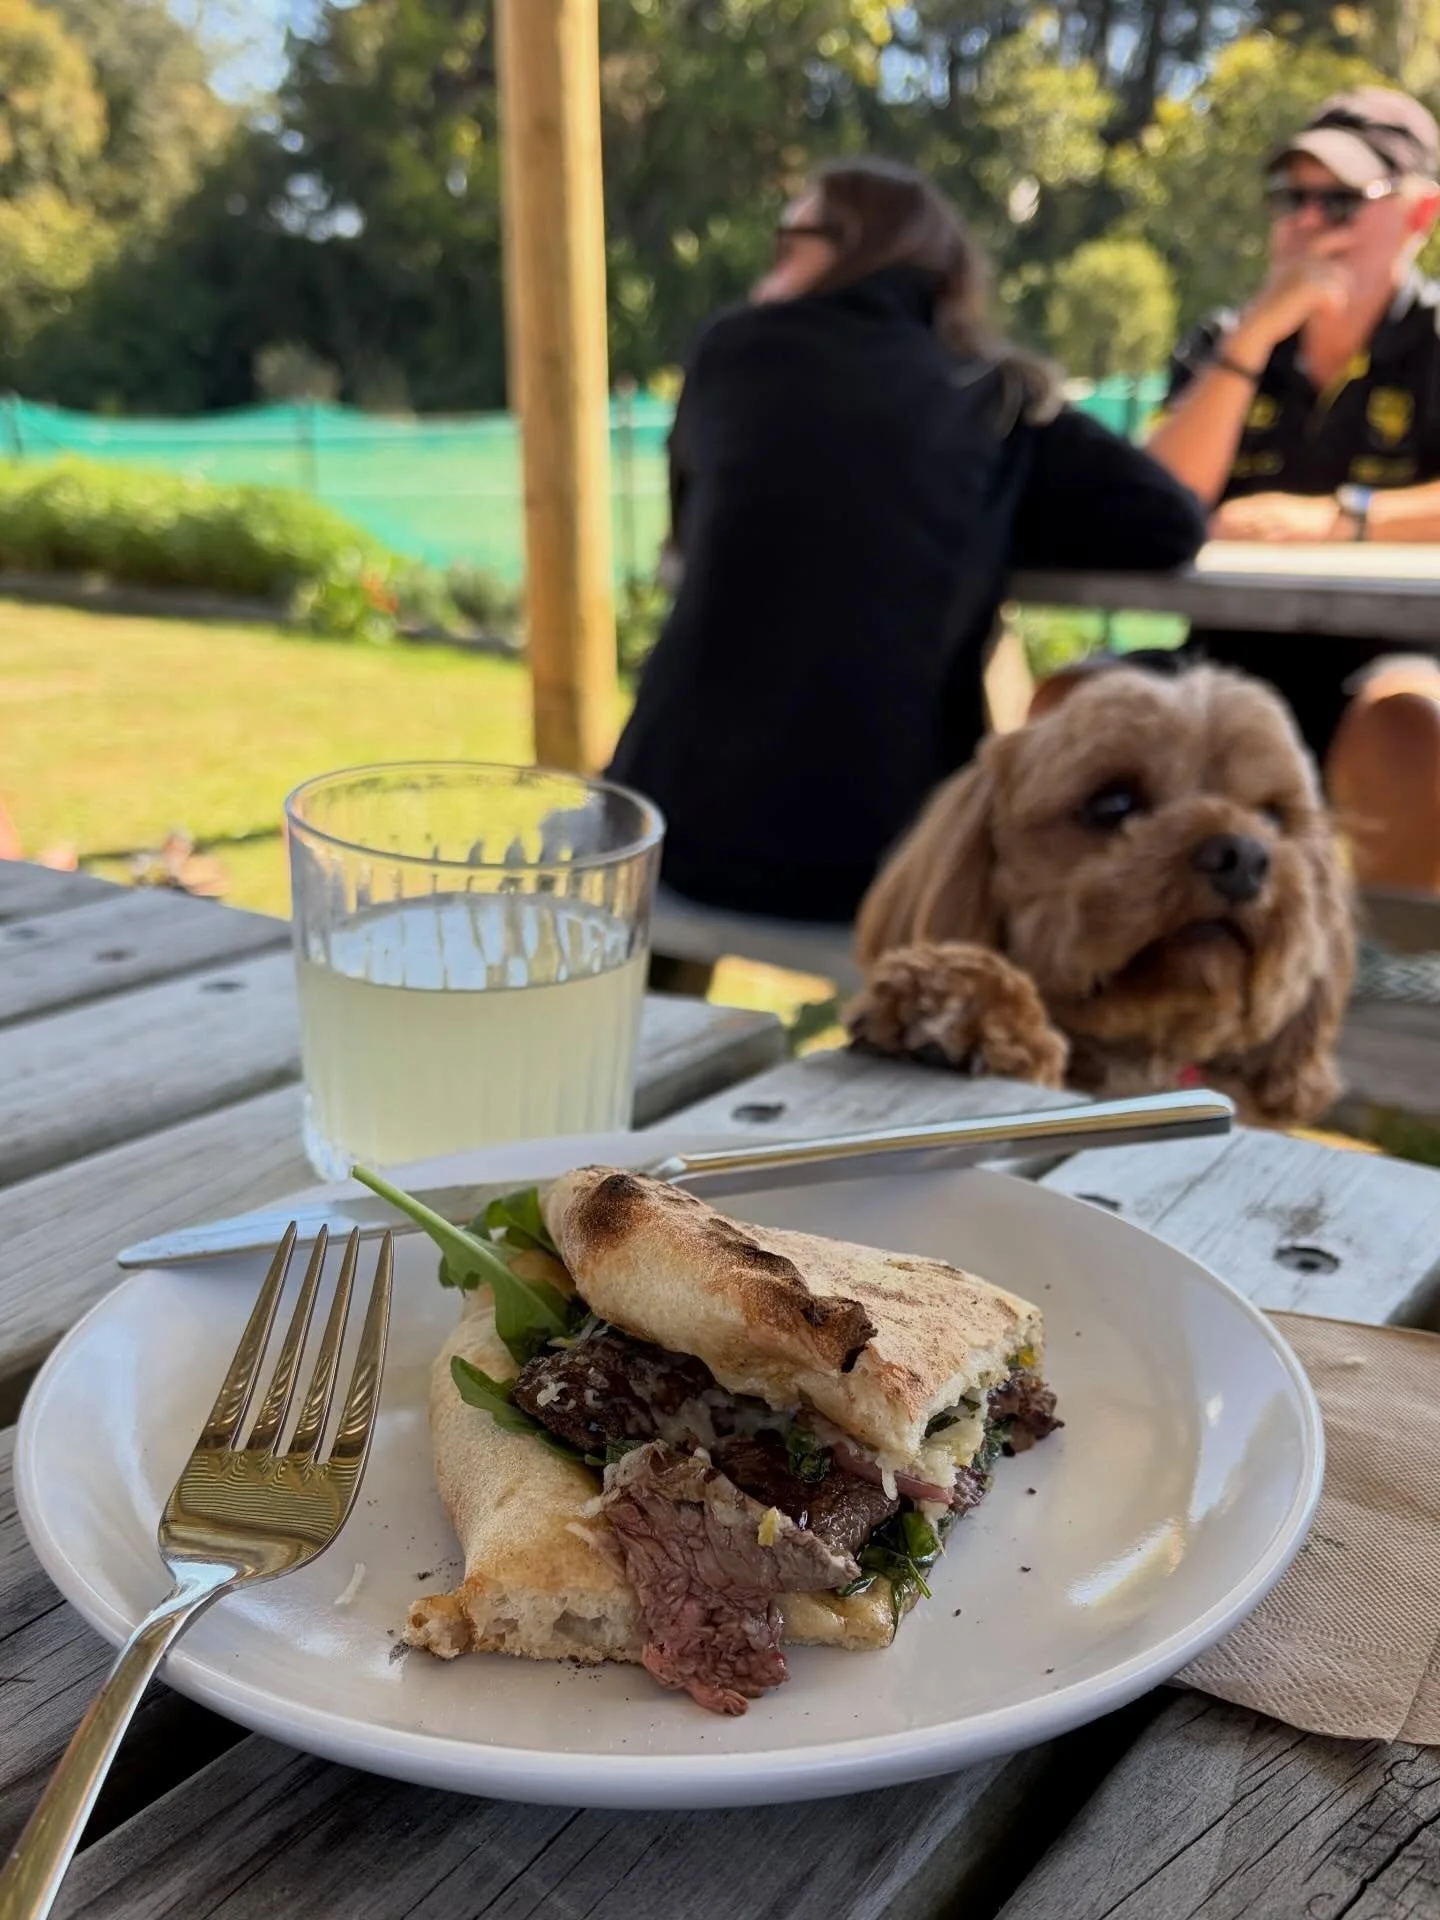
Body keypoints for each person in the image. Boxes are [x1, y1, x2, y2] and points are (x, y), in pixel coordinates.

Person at [606, 157, 1205, 925]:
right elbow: (1168, 523)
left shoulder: (733, 351)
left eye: (794, 237)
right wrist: (992, 514)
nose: (774, 259)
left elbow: (693, 529)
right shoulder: (992, 398)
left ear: (858, 247)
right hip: (885, 860)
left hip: (673, 834)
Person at [1144, 87, 1440, 886]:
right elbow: (1155, 498)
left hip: (1405, 658)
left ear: (1418, 216)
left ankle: (1380, 989)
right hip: (1225, 662)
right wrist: (1256, 337)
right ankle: (1101, 976)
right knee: (1079, 704)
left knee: (1413, 727)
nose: (1307, 221)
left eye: (1339, 200)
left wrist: (1342, 519)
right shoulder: (1225, 339)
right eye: (1291, 198)